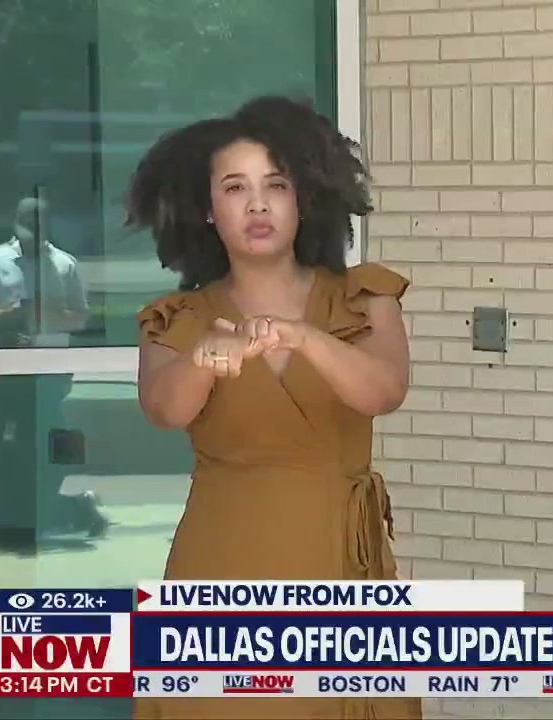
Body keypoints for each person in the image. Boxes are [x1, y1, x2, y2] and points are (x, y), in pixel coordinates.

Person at [129, 96, 421, 720]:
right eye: (236, 188)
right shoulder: (179, 318)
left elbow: (384, 391)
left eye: (276, 185)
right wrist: (205, 357)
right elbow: (163, 409)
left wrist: (305, 337)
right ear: (208, 210)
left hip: (337, 562)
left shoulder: (364, 298)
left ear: (303, 199)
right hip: (221, 562)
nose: (258, 205)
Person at [0, 195, 107, 547]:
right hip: (3, 369)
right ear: (16, 221)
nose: (32, 231)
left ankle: (49, 506)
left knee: (44, 442)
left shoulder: (65, 264)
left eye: (38, 223)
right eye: (26, 222)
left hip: (48, 369)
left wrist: (49, 315)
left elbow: (81, 317)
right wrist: (10, 314)